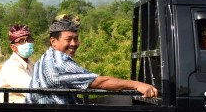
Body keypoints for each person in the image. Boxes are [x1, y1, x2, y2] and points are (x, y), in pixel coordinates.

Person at [27, 14, 158, 104]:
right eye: (68, 39)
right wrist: (136, 84)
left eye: (76, 39)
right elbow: (100, 82)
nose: (73, 43)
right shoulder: (60, 63)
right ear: (53, 41)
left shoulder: (47, 56)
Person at [0, 24, 35, 103]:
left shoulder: (30, 64)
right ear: (13, 47)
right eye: (21, 41)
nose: (27, 43)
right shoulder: (12, 66)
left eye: (29, 40)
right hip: (16, 111)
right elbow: (33, 91)